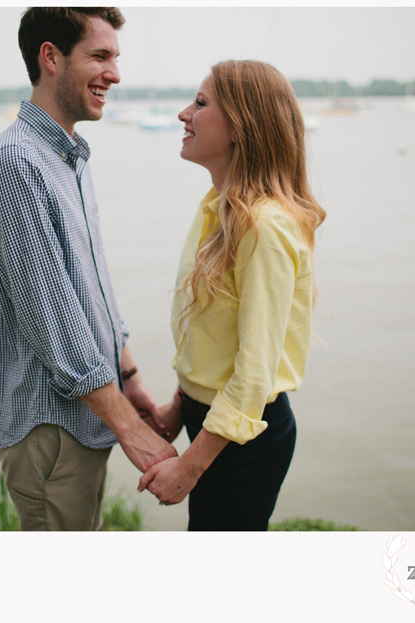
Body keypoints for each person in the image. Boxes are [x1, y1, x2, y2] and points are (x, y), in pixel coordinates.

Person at [0, 7, 176, 531]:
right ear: (51, 58)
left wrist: (129, 378)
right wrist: (130, 427)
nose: (114, 73)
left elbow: (91, 290)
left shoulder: (68, 157)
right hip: (52, 426)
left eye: (115, 57)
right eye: (100, 56)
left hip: (89, 415)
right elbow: (54, 323)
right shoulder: (16, 164)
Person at [138, 60, 326, 531]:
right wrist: (178, 408)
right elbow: (212, 338)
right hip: (213, 422)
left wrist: (189, 466)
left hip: (245, 440)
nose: (184, 114)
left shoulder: (263, 227)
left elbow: (254, 375)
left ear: (242, 126)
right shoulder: (216, 208)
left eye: (200, 104)